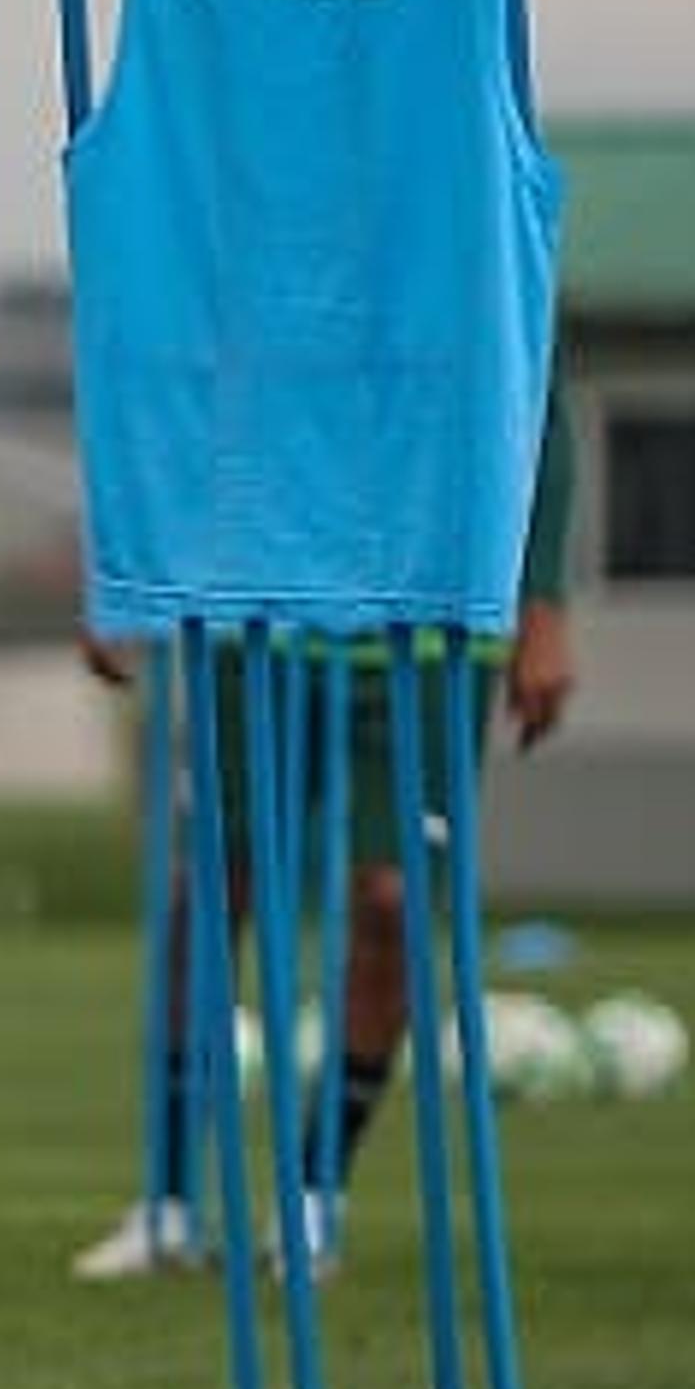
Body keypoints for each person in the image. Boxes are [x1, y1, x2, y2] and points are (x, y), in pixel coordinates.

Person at [69, 374, 577, 1279]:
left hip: (425, 621)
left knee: (391, 904)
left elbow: (534, 390)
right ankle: (172, 1202)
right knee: (211, 891)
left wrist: (543, 606)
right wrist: (127, 562)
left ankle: (313, 1193)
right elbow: (176, 372)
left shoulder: (472, 230)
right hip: (253, 604)